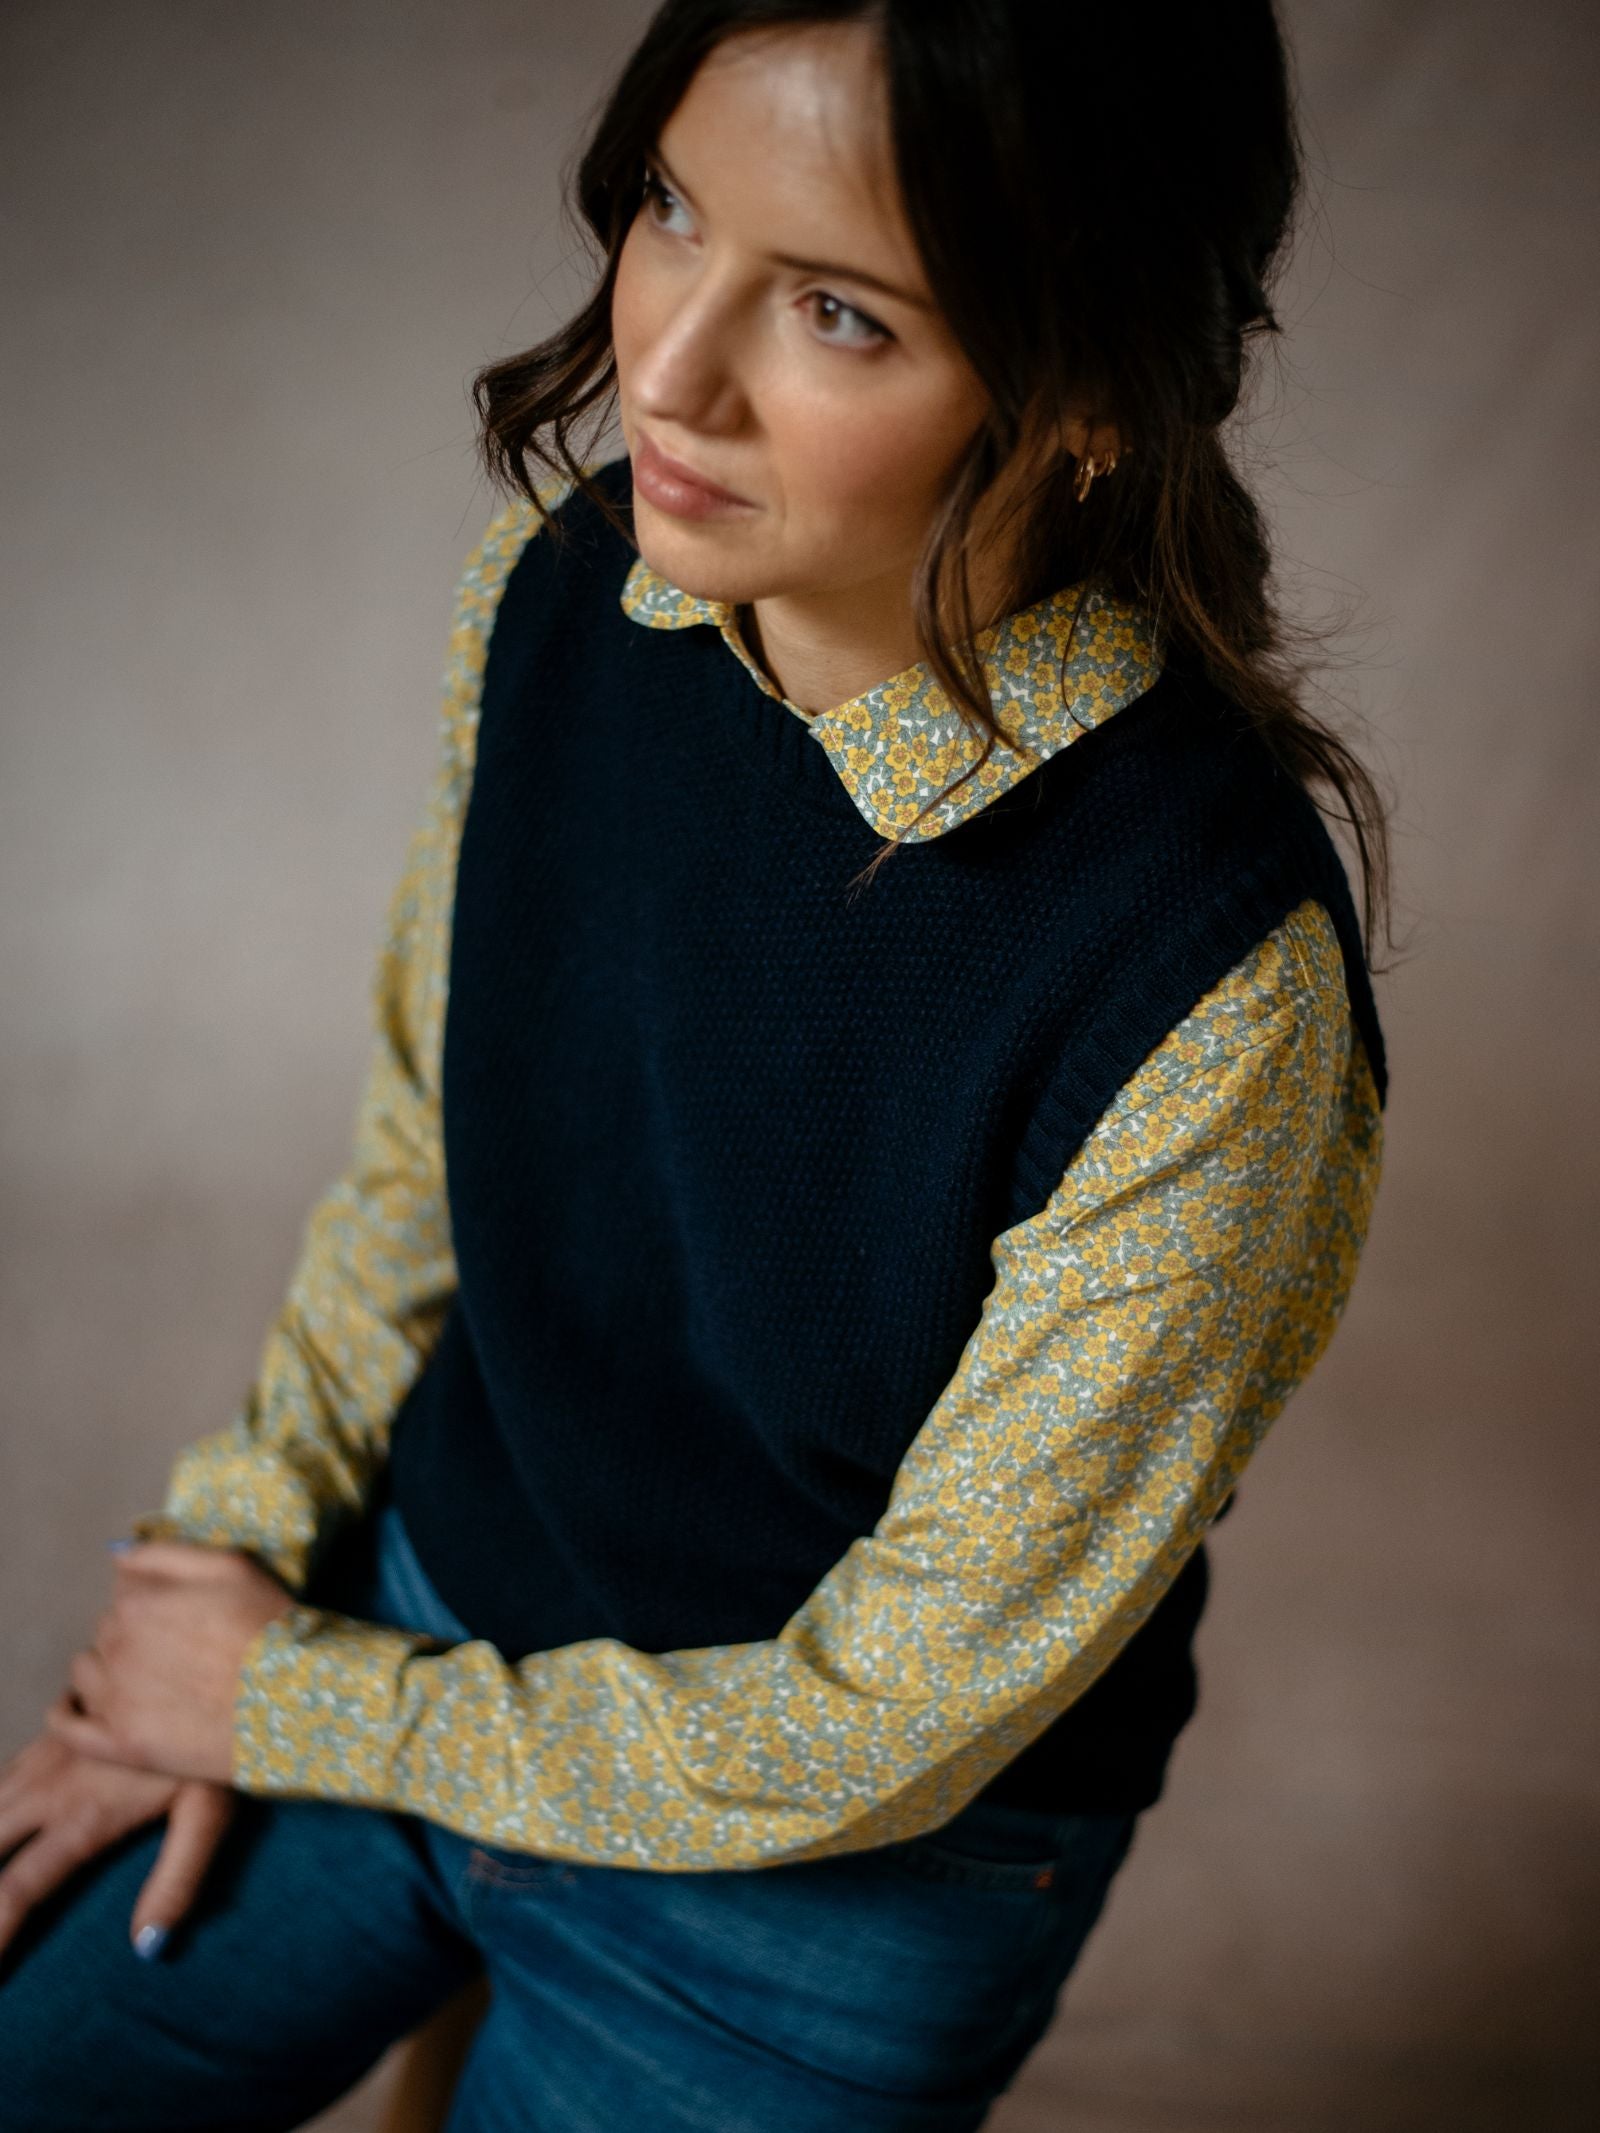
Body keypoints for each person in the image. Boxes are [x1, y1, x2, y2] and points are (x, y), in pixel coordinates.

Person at [0, 1, 1390, 2126]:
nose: (663, 365)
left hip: (816, 1894)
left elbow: (888, 1714)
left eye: (836, 312)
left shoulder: (1212, 981)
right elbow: (418, 1157)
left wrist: (298, 1704)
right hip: (427, 1604)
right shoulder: (565, 597)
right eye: (668, 209)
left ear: (1089, 389)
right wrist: (214, 1588)